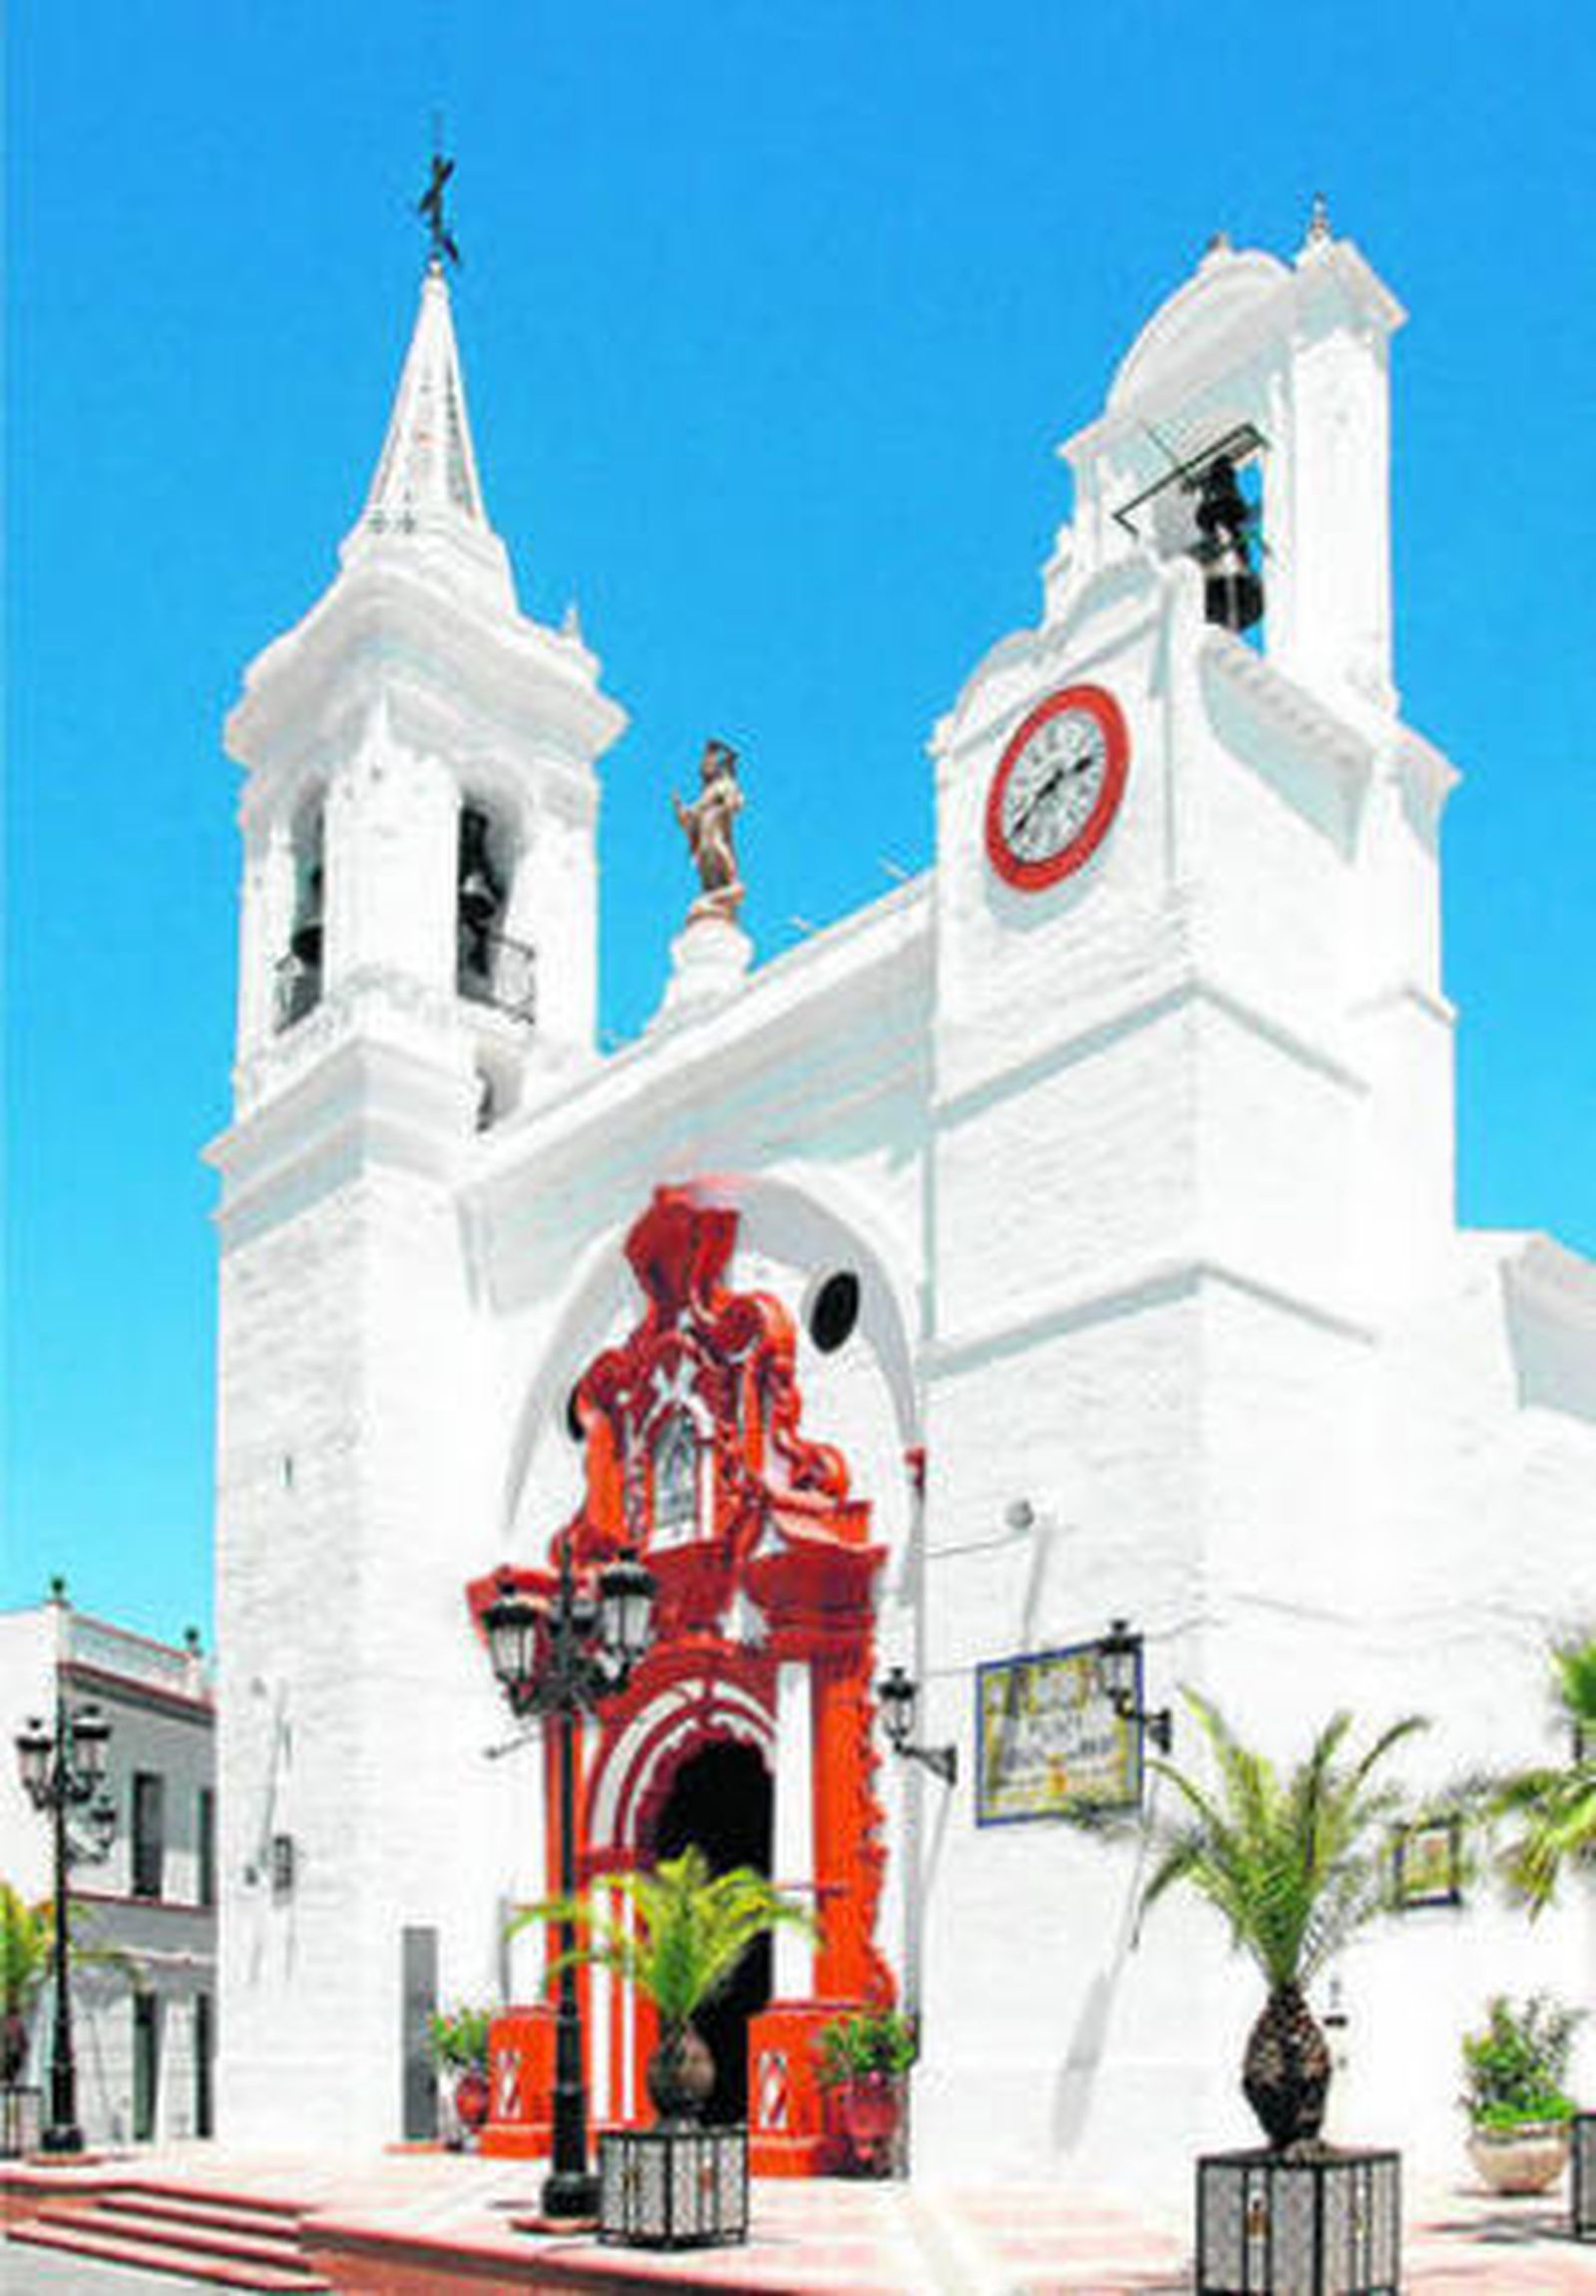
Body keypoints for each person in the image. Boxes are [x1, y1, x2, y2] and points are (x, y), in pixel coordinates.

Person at [672, 739, 745, 925]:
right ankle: (713, 895)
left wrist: (726, 805)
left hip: (716, 828)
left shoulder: (726, 783)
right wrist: (682, 811)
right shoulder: (706, 791)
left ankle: (730, 886)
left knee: (718, 850)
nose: (707, 768)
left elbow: (736, 802)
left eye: (712, 763)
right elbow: (692, 816)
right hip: (705, 830)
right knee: (706, 860)